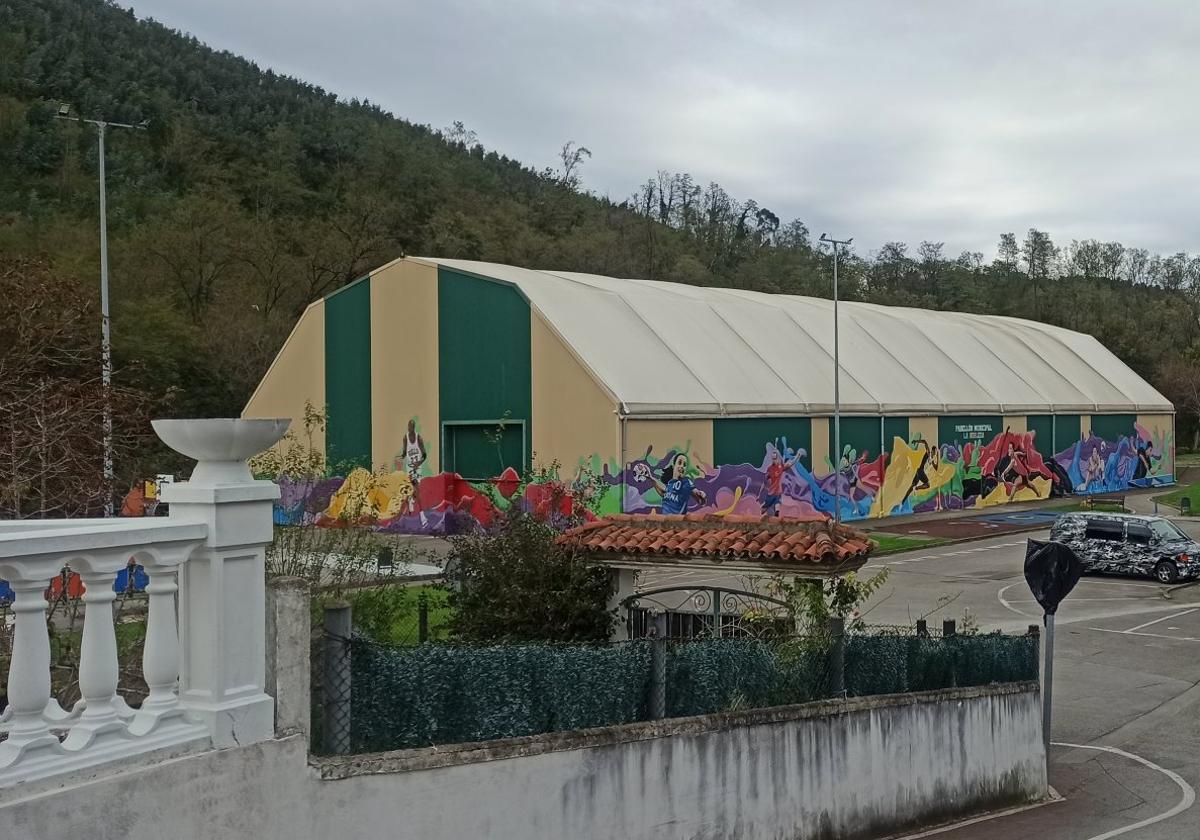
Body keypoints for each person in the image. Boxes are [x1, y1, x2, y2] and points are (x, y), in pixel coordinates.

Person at [761, 447, 799, 516]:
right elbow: (766, 477)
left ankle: (777, 512)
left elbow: (790, 463)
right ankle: (761, 514)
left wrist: (797, 457)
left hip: (777, 490)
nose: (774, 459)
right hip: (771, 491)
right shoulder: (770, 468)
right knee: (765, 507)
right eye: (773, 458)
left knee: (777, 501)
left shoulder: (780, 467)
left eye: (775, 457)